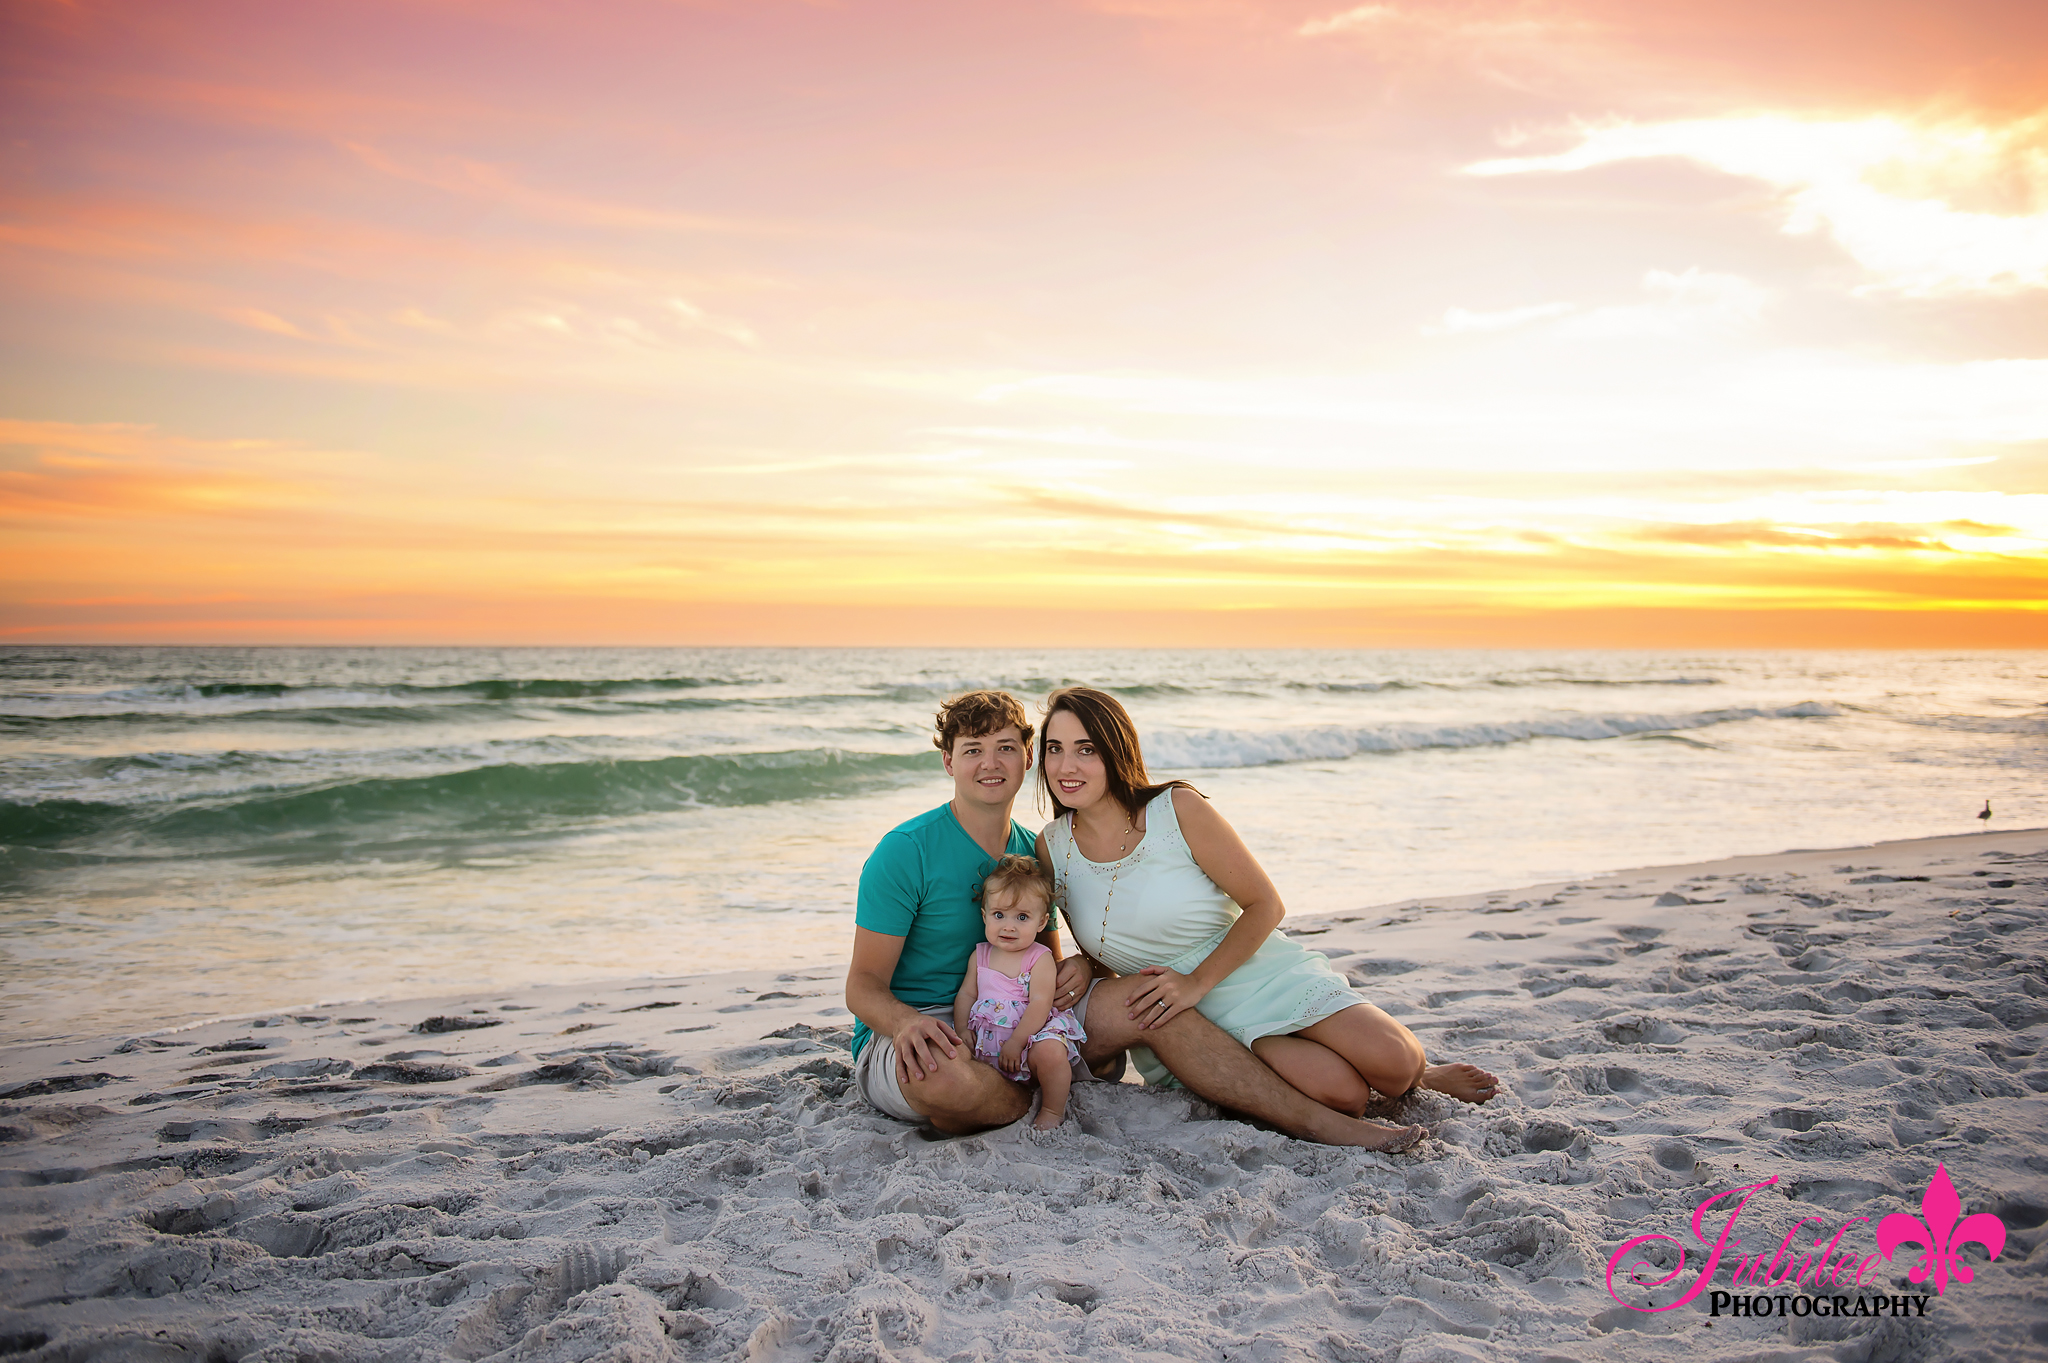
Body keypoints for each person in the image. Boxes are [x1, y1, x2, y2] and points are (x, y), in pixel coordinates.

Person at [1038, 686, 1498, 1149]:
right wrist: (1084, 965)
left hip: (1254, 972)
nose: (1065, 767)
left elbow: (1266, 905)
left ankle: (1427, 1075)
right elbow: (1101, 951)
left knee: (1396, 1064)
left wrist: (1196, 981)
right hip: (1185, 1018)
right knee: (1344, 1095)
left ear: (1117, 752)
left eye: (1086, 750)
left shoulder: (1176, 810)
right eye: (1054, 749)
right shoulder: (1053, 847)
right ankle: (1286, 1066)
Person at [845, 690, 1092, 1133]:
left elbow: (1046, 964)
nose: (990, 763)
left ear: (1028, 756)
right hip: (916, 1023)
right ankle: (1023, 1095)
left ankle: (994, 1094)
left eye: (1005, 748)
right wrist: (905, 1023)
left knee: (1129, 1007)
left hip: (1017, 1012)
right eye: (973, 750)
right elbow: (862, 987)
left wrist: (1084, 969)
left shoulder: (1035, 854)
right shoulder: (905, 851)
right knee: (943, 1080)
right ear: (948, 762)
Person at [953, 853, 1087, 1130]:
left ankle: (1052, 1108)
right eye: (999, 915)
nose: (1009, 926)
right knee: (959, 1063)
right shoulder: (980, 955)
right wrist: (962, 1029)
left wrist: (1017, 1042)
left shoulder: (1039, 958)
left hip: (1031, 1034)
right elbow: (966, 994)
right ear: (984, 915)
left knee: (1050, 1053)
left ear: (1041, 923)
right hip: (989, 1039)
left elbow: (1040, 1003)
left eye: (1022, 917)